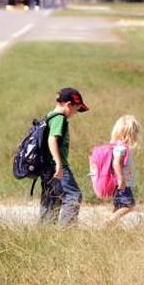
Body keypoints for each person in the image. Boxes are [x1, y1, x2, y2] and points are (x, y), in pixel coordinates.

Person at [39, 87, 88, 226]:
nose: (76, 112)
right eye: (77, 108)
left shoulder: (50, 115)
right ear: (68, 104)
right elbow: (52, 139)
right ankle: (67, 231)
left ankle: (45, 232)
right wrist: (59, 163)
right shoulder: (59, 118)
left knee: (52, 198)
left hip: (47, 167)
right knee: (73, 195)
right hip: (57, 166)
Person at [105, 114, 140, 226]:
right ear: (130, 133)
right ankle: (107, 224)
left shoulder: (116, 145)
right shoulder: (122, 148)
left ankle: (110, 228)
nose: (136, 135)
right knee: (128, 205)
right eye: (135, 133)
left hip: (118, 183)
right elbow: (116, 163)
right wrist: (121, 179)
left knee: (119, 206)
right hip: (121, 183)